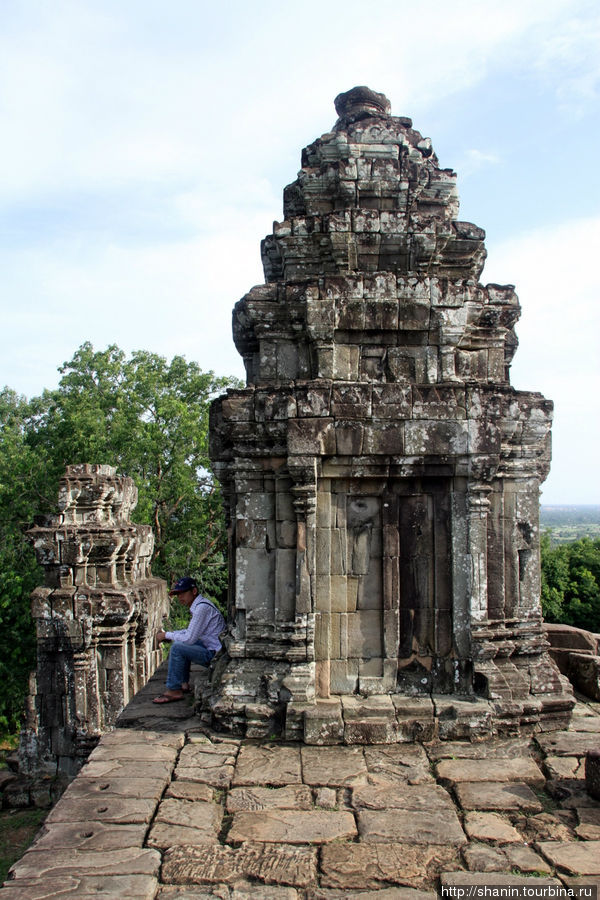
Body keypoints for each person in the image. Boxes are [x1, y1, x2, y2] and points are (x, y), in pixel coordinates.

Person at [152, 576, 225, 704]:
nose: (180, 597)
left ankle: (174, 689)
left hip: (214, 655)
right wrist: (170, 634)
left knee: (177, 647)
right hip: (210, 648)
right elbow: (190, 632)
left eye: (183, 593)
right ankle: (182, 683)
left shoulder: (202, 608)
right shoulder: (199, 606)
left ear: (194, 591)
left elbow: (190, 638)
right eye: (178, 594)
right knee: (181, 643)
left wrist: (166, 635)